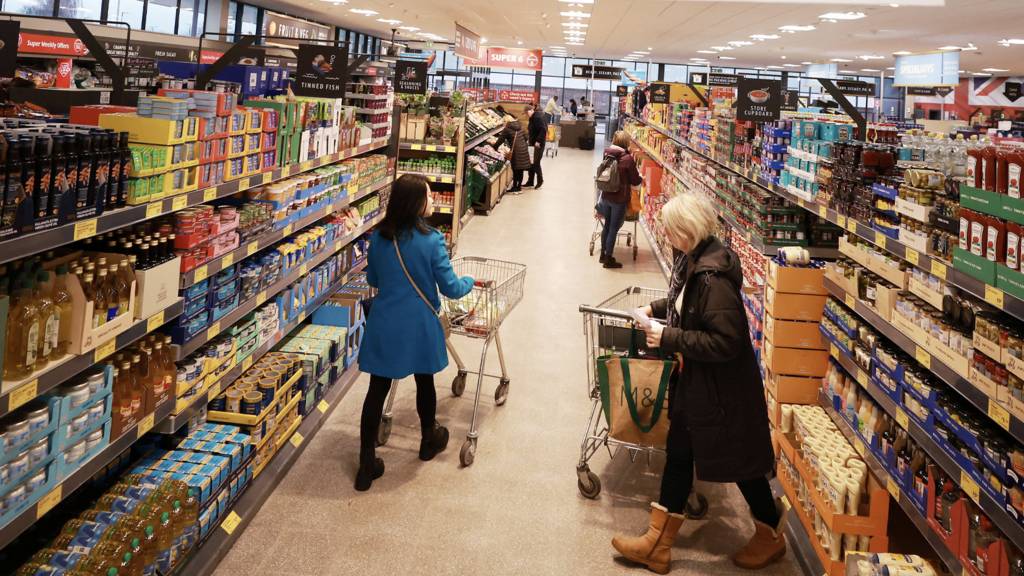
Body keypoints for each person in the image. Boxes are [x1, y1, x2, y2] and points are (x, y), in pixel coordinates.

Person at [611, 192, 783, 574]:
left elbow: (725, 340)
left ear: (685, 231)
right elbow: (685, 304)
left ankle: (770, 534)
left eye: (669, 228)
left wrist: (667, 337)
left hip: (720, 390)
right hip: (700, 383)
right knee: (681, 451)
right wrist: (654, 310)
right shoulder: (696, 261)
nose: (663, 232)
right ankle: (658, 544)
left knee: (739, 463)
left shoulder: (712, 278)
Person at [355, 174, 475, 492]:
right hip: (419, 324)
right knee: (425, 382)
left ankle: (366, 462)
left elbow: (376, 279)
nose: (433, 201)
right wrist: (471, 282)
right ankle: (427, 440)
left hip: (385, 322)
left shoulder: (379, 238)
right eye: (429, 196)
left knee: (376, 390)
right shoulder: (432, 239)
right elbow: (451, 287)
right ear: (416, 202)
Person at [596, 130, 642, 269]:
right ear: (625, 143)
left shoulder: (607, 153)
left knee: (607, 226)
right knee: (613, 228)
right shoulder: (627, 159)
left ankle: (603, 255)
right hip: (619, 198)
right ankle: (609, 259)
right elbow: (635, 181)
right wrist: (641, 179)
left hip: (606, 195)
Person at [496, 114, 531, 193]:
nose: (503, 124)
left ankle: (515, 187)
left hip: (516, 151)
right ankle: (518, 187)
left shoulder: (507, 129)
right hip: (523, 149)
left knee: (515, 169)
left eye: (504, 122)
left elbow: (500, 140)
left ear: (506, 121)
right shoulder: (520, 125)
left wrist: (494, 147)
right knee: (520, 169)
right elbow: (526, 137)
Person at [524, 104, 547, 189]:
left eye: (526, 113)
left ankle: (540, 180)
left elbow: (543, 130)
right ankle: (530, 181)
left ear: (530, 111)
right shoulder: (533, 117)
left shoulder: (537, 118)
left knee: (536, 163)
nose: (526, 115)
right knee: (531, 162)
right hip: (532, 143)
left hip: (538, 144)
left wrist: (538, 141)